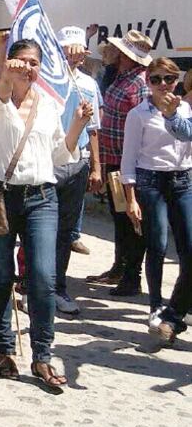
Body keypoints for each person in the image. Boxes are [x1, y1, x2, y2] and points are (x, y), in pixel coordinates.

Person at [0, 39, 92, 388]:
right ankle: (6, 348)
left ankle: (42, 354)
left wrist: (76, 123)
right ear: (10, 63)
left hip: (41, 196)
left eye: (34, 63)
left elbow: (60, 154)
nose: (28, 68)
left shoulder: (50, 104)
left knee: (43, 275)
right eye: (21, 61)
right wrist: (4, 72)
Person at [121, 57, 192, 331]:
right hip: (150, 180)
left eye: (169, 79)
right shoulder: (139, 114)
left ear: (177, 81)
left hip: (182, 179)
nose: (163, 85)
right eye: (156, 79)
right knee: (158, 245)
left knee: (188, 247)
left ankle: (180, 303)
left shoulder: (184, 109)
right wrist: (130, 198)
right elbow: (129, 159)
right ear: (147, 82)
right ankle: (156, 305)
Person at [93, 31, 152, 296]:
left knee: (130, 220)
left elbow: (144, 125)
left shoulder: (139, 83)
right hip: (114, 157)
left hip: (127, 159)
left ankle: (132, 275)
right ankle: (121, 266)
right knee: (120, 217)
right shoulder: (121, 76)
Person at [52, 27, 103, 316]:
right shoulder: (47, 79)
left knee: (65, 231)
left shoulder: (89, 84)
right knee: (40, 228)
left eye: (76, 49)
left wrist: (96, 167)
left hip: (78, 162)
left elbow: (93, 128)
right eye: (66, 48)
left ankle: (58, 287)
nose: (72, 54)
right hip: (49, 160)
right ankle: (30, 284)